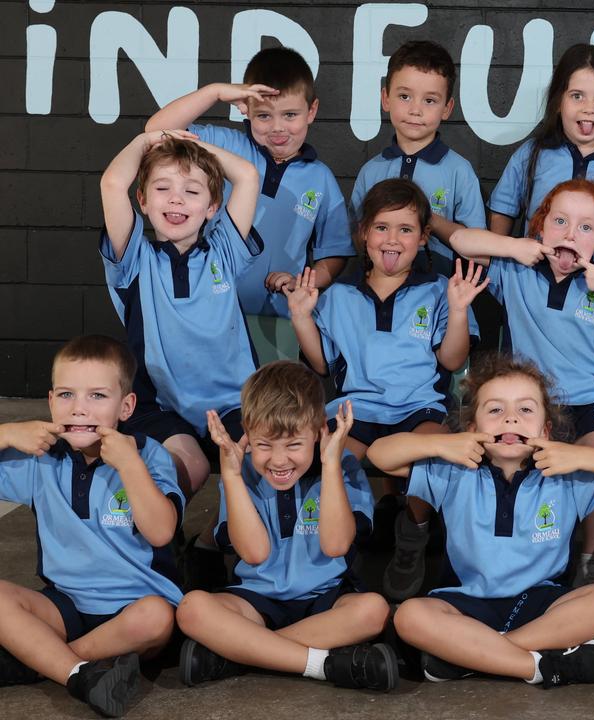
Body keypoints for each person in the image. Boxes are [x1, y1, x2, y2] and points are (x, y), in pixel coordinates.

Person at [367, 353, 594, 687]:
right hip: (465, 605)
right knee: (410, 617)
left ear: (546, 430)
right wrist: (444, 444)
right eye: (495, 410)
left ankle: (473, 657)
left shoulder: (565, 475)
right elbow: (378, 455)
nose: (510, 419)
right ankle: (542, 666)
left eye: (525, 409)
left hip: (540, 604)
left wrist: (579, 453)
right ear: (472, 429)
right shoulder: (454, 470)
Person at [452, 178, 594, 584]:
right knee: (506, 455)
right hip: (525, 403)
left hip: (589, 400)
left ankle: (593, 558)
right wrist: (513, 246)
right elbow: (463, 240)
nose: (571, 234)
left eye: (586, 228)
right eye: (559, 222)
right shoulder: (516, 271)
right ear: (540, 228)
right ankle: (520, 554)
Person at [286, 178, 483, 601]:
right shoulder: (338, 295)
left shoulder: (438, 290)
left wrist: (460, 310)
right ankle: (340, 552)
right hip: (353, 412)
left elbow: (451, 361)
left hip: (418, 410)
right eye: (381, 228)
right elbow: (322, 363)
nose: (392, 240)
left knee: (436, 456)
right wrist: (302, 317)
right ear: (363, 234)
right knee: (326, 461)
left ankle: (412, 537)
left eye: (406, 229)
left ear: (424, 237)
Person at [175, 362, 396, 692]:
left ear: (320, 431)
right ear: (247, 434)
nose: (279, 461)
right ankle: (322, 664)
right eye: (264, 445)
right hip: (257, 600)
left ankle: (241, 654)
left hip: (326, 599)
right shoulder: (242, 472)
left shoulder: (343, 467)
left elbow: (336, 545)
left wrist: (332, 462)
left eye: (294, 445)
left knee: (373, 611)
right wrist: (232, 476)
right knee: (192, 609)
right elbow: (254, 552)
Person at [0, 335, 183, 717]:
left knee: (158, 617)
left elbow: (161, 532)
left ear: (126, 406)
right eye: (66, 395)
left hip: (132, 608)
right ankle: (80, 673)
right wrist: (5, 433)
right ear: (50, 402)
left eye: (97, 396)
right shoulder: (41, 457)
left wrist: (130, 466)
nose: (79, 409)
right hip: (64, 605)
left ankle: (43, 662)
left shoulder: (149, 456)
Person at [145, 46, 353, 333]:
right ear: (247, 110)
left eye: (290, 114)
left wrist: (305, 282)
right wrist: (215, 92)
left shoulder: (321, 179)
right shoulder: (227, 146)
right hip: (212, 311)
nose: (278, 128)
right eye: (264, 116)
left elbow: (335, 252)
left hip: (281, 322)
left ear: (311, 111)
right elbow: (156, 130)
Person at [99, 130, 259, 497]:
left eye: (192, 190)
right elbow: (111, 182)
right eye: (162, 188)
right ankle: (156, 544)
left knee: (260, 462)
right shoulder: (134, 260)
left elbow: (247, 176)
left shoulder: (224, 251)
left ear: (212, 206)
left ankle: (213, 540)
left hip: (237, 403)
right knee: (191, 468)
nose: (176, 198)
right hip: (163, 403)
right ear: (141, 199)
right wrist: (145, 140)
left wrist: (193, 147)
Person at [488, 43, 594, 270]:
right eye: (577, 96)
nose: (589, 108)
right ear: (558, 101)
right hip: (533, 284)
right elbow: (502, 213)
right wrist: (498, 269)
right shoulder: (531, 154)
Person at [350, 40, 485, 274]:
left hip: (438, 290)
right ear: (385, 98)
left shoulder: (459, 171)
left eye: (430, 100)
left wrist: (424, 218)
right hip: (379, 286)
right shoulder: (371, 171)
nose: (415, 109)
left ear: (447, 107)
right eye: (404, 96)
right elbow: (355, 236)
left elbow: (478, 246)